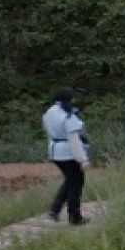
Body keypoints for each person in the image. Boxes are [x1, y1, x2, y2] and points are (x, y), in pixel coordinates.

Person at [42, 87, 90, 225]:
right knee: (76, 184)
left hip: (55, 151)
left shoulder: (49, 112)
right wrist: (83, 159)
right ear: (68, 100)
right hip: (68, 153)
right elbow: (74, 140)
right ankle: (74, 217)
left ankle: (54, 209)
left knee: (70, 180)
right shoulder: (68, 117)